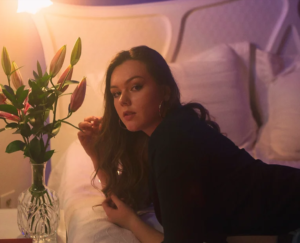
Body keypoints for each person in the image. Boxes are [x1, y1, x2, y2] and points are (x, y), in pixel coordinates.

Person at [78, 46, 300, 243]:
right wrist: (97, 154)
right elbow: (132, 198)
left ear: (165, 92)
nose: (123, 100)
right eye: (115, 93)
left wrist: (131, 222)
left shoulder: (173, 139)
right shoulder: (164, 134)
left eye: (135, 87)